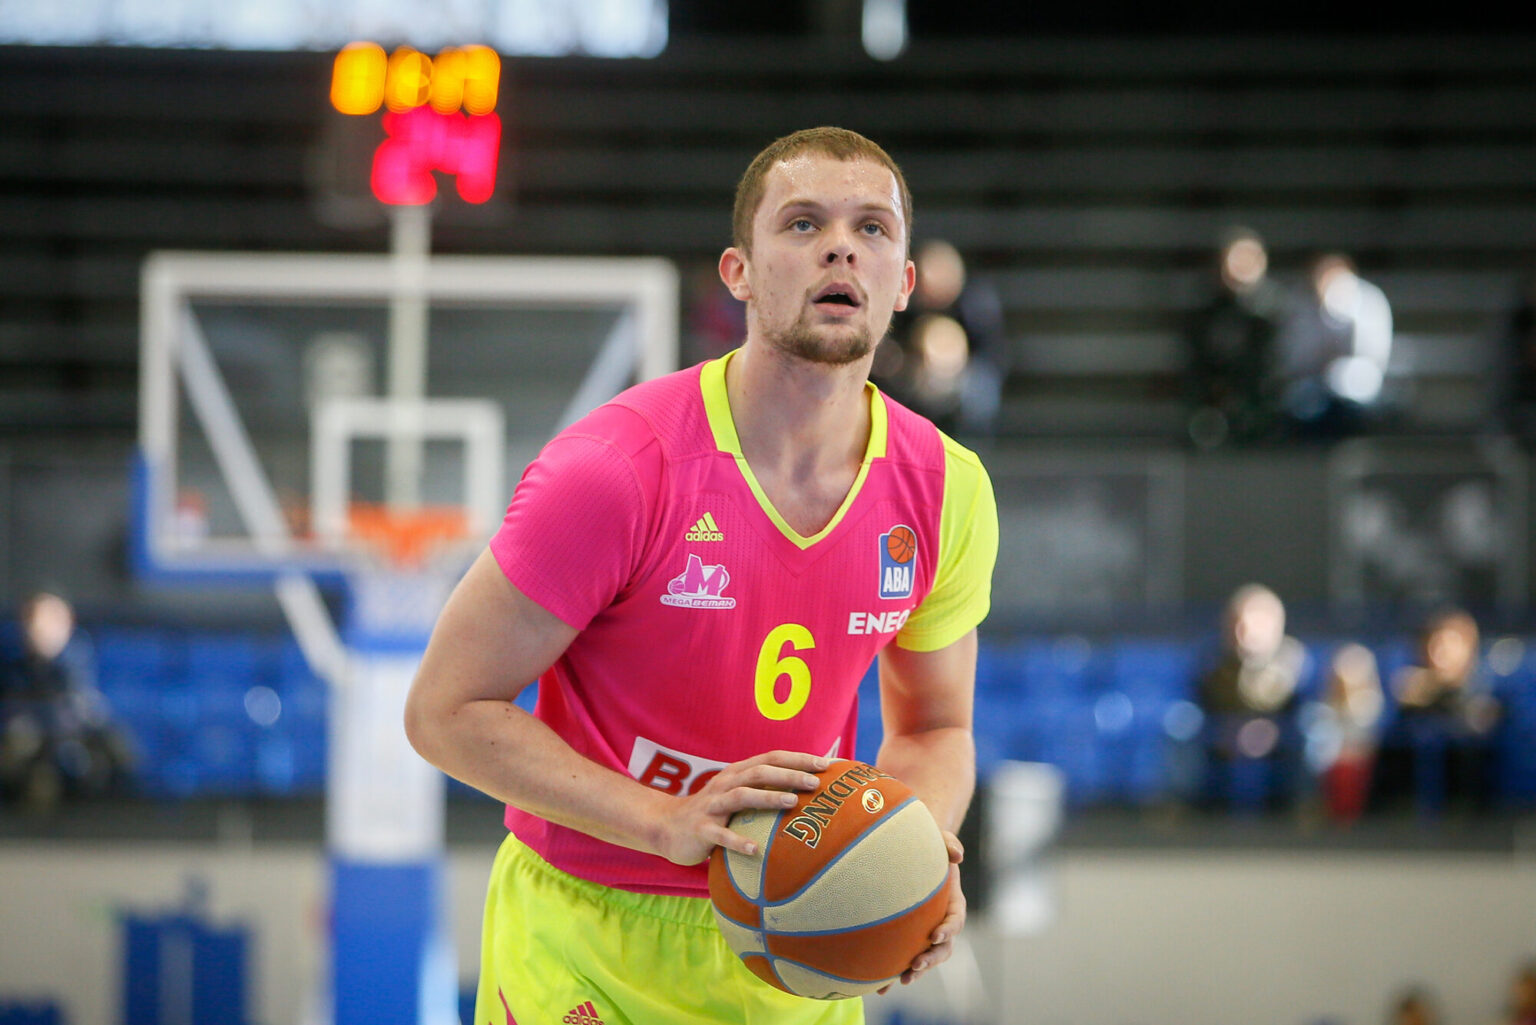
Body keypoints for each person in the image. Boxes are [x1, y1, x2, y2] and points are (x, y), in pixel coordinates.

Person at [405, 127, 999, 1024]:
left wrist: (909, 854)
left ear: (904, 282)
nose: (842, 247)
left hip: (796, 951)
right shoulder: (617, 470)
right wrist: (661, 819)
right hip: (587, 935)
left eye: (872, 228)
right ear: (739, 273)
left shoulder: (947, 490)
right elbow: (444, 710)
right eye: (803, 223)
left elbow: (937, 726)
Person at [0, 590, 133, 811]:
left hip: (73, 746)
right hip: (29, 748)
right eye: (34, 620)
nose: (42, 629)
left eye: (52, 620)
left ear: (68, 622)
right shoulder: (11, 665)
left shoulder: (78, 661)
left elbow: (87, 711)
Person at [1195, 583, 1307, 811]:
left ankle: (1302, 805)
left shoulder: (1293, 661)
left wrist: (1268, 728)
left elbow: (1293, 708)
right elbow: (1208, 702)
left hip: (1278, 733)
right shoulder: (1213, 660)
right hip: (1225, 731)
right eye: (1237, 624)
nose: (1243, 633)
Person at [1379, 607, 1501, 814]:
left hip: (1465, 782)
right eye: (1433, 644)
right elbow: (1405, 700)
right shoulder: (1412, 679)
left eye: (1448, 644)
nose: (1439, 652)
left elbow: (1482, 720)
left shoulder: (1483, 683)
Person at [1183, 227, 1290, 448]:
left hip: (1266, 397)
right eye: (1235, 259)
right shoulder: (1209, 312)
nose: (1240, 267)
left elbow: (1280, 361)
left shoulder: (1276, 310)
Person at [1276, 251, 1394, 438]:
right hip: (1311, 389)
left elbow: (1374, 357)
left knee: (1349, 409)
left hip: (1356, 388)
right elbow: (1295, 359)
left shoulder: (1370, 301)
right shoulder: (1300, 303)